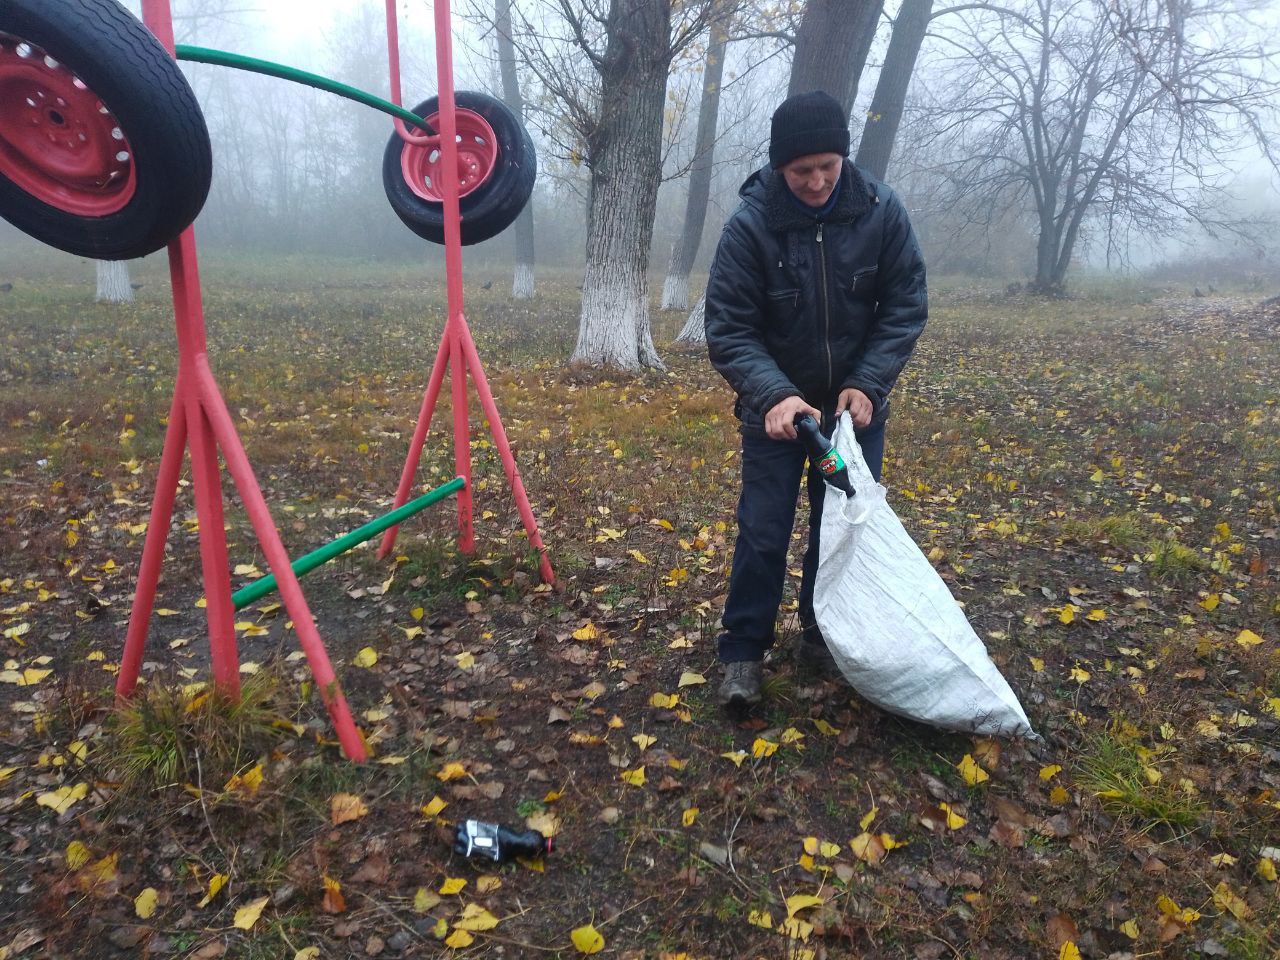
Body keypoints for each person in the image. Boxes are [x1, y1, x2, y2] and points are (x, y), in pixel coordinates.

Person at [705, 90, 928, 710]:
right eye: (801, 170)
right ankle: (743, 653)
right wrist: (774, 394)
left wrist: (869, 383)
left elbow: (905, 306)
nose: (816, 181)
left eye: (827, 166)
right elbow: (728, 326)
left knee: (841, 525)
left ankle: (821, 632)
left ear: (843, 158)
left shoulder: (881, 212)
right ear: (780, 167)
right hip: (777, 415)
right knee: (763, 528)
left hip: (852, 415)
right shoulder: (751, 225)